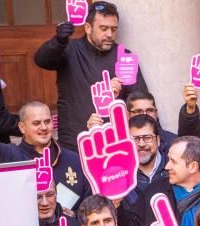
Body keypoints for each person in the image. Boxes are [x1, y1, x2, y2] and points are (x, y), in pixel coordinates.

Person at [34, 2, 148, 150]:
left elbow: (140, 100)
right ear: (88, 28)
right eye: (103, 28)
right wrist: (58, 42)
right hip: (75, 141)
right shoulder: (69, 49)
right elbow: (42, 60)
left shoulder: (124, 56)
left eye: (114, 29)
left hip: (114, 142)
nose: (109, 34)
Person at [0, 101, 89, 212]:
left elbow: (89, 204)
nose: (44, 127)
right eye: (36, 123)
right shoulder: (10, 156)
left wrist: (74, 218)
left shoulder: (74, 160)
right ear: (22, 127)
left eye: (47, 121)